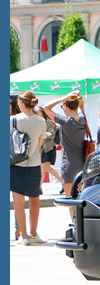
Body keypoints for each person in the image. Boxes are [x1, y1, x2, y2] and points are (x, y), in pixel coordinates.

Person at [10, 91, 48, 245]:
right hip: (34, 164)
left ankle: (24, 237)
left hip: (14, 164)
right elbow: (39, 145)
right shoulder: (41, 121)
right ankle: (34, 234)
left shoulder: (12, 120)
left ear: (21, 103)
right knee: (35, 199)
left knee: (18, 202)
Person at [42, 90, 88, 210]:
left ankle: (75, 226)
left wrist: (64, 97)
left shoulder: (66, 122)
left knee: (71, 203)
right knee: (82, 200)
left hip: (69, 166)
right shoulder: (83, 120)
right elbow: (81, 105)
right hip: (83, 165)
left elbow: (45, 108)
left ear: (66, 106)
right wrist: (78, 96)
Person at [34, 105, 62, 188]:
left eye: (38, 110)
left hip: (48, 146)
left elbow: (52, 134)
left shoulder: (49, 122)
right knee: (47, 168)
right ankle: (62, 182)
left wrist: (43, 135)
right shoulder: (39, 122)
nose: (36, 111)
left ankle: (39, 187)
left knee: (42, 166)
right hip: (43, 146)